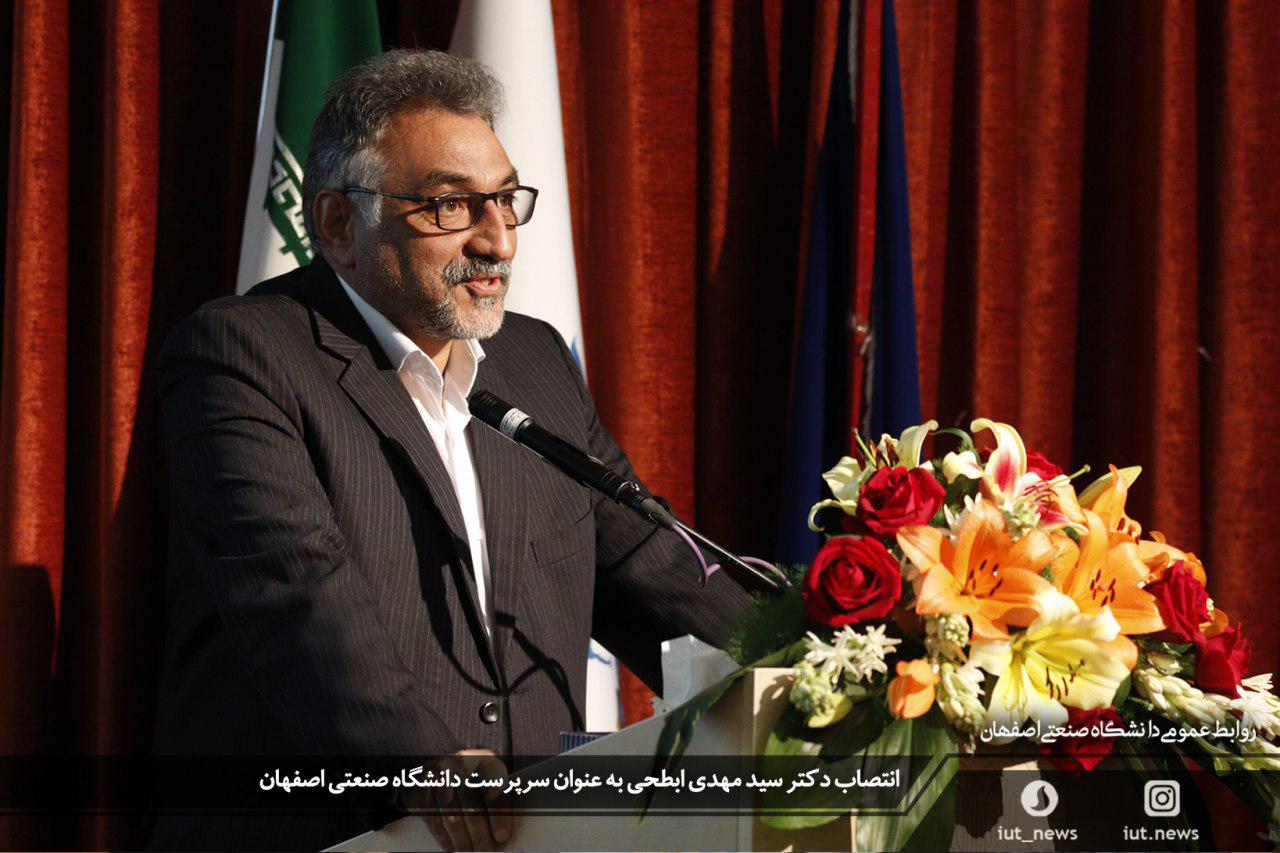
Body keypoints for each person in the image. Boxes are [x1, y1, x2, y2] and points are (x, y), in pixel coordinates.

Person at [150, 49, 754, 850]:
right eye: (451, 206)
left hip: (532, 834)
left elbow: (652, 567)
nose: (498, 241)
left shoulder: (533, 361)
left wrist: (836, 666)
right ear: (338, 224)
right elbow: (295, 594)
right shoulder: (244, 355)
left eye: (505, 200)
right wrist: (425, 758)